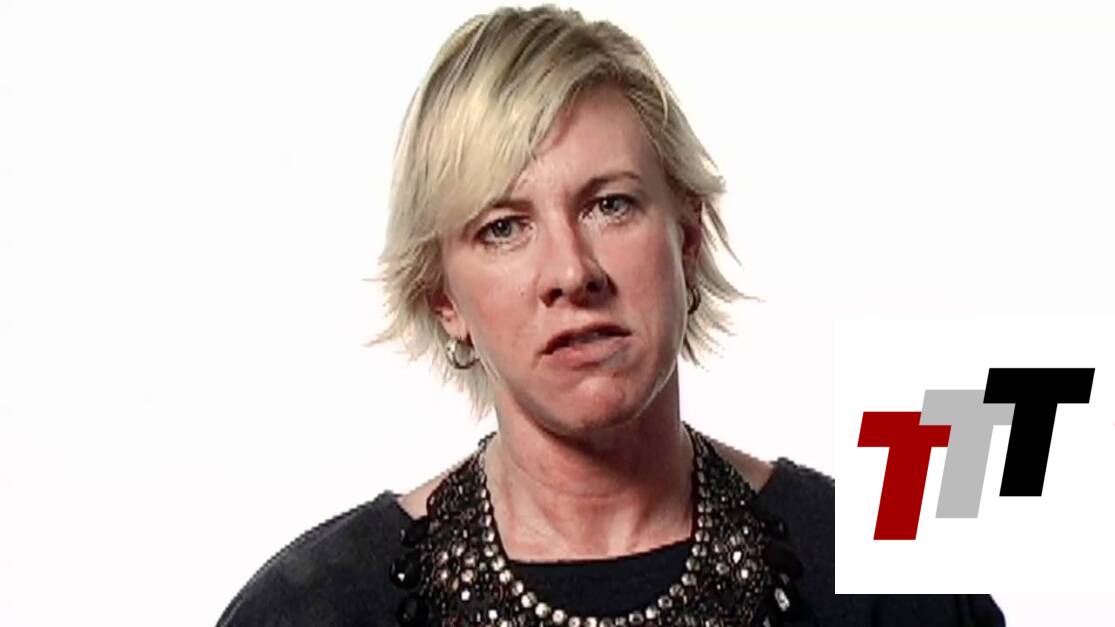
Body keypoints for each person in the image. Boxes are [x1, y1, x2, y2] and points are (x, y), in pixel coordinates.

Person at [216, 6, 1004, 626]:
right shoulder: (314, 607)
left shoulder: (897, 586)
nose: (571, 272)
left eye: (610, 204)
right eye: (503, 227)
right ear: (443, 298)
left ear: (686, 239)